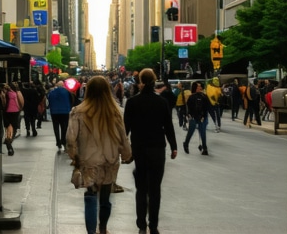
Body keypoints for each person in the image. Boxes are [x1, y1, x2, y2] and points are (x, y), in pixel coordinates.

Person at [66, 76, 132, 234]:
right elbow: (123, 137)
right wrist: (126, 154)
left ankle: (91, 231)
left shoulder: (78, 112)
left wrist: (74, 156)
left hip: (88, 161)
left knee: (90, 195)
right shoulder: (116, 112)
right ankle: (103, 228)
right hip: (110, 161)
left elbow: (70, 138)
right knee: (105, 199)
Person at [124, 68, 177, 234]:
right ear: (154, 80)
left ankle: (141, 225)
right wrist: (174, 146)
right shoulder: (161, 102)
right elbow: (168, 125)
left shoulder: (132, 102)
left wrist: (123, 148)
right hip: (157, 148)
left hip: (139, 148)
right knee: (155, 189)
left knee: (141, 189)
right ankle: (153, 225)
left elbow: (125, 128)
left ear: (140, 81)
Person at [183, 81, 210, 156]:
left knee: (202, 132)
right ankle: (186, 143)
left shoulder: (204, 96)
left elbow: (207, 107)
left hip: (201, 117)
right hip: (194, 117)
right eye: (198, 86)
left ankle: (204, 148)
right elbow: (189, 108)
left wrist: (204, 116)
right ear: (195, 88)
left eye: (200, 86)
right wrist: (189, 115)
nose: (200, 87)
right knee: (191, 131)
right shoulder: (192, 97)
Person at [47, 80, 73, 151]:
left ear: (57, 85)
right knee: (64, 127)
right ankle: (63, 141)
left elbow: (49, 100)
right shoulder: (67, 92)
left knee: (56, 127)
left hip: (54, 112)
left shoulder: (51, 92)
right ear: (63, 85)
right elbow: (71, 101)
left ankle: (58, 142)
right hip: (65, 112)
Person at [3, 82, 24, 156]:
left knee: (8, 128)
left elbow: (3, 102)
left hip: (7, 112)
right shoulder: (16, 93)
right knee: (14, 128)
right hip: (15, 111)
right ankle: (9, 142)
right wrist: (20, 108)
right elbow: (21, 102)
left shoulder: (5, 93)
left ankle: (9, 144)